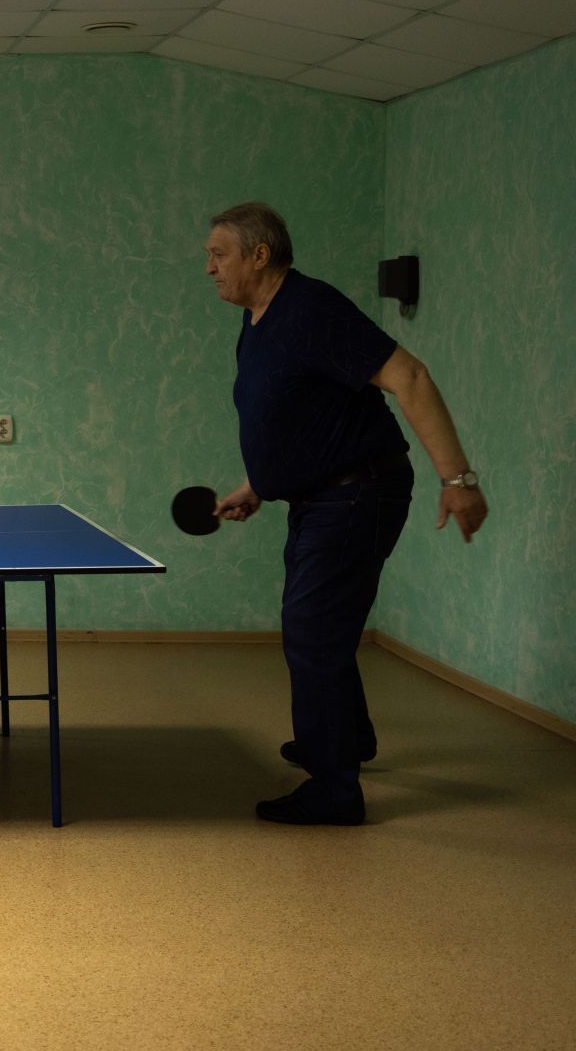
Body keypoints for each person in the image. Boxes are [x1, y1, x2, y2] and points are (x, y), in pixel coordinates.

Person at [204, 202, 487, 825]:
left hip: (358, 492)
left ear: (260, 255)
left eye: (219, 254)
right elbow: (300, 412)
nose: (209, 268)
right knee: (319, 625)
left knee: (311, 630)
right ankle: (346, 740)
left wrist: (457, 479)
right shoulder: (258, 319)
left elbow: (410, 376)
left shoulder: (312, 309)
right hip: (322, 495)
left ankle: (334, 790)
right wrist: (260, 483)